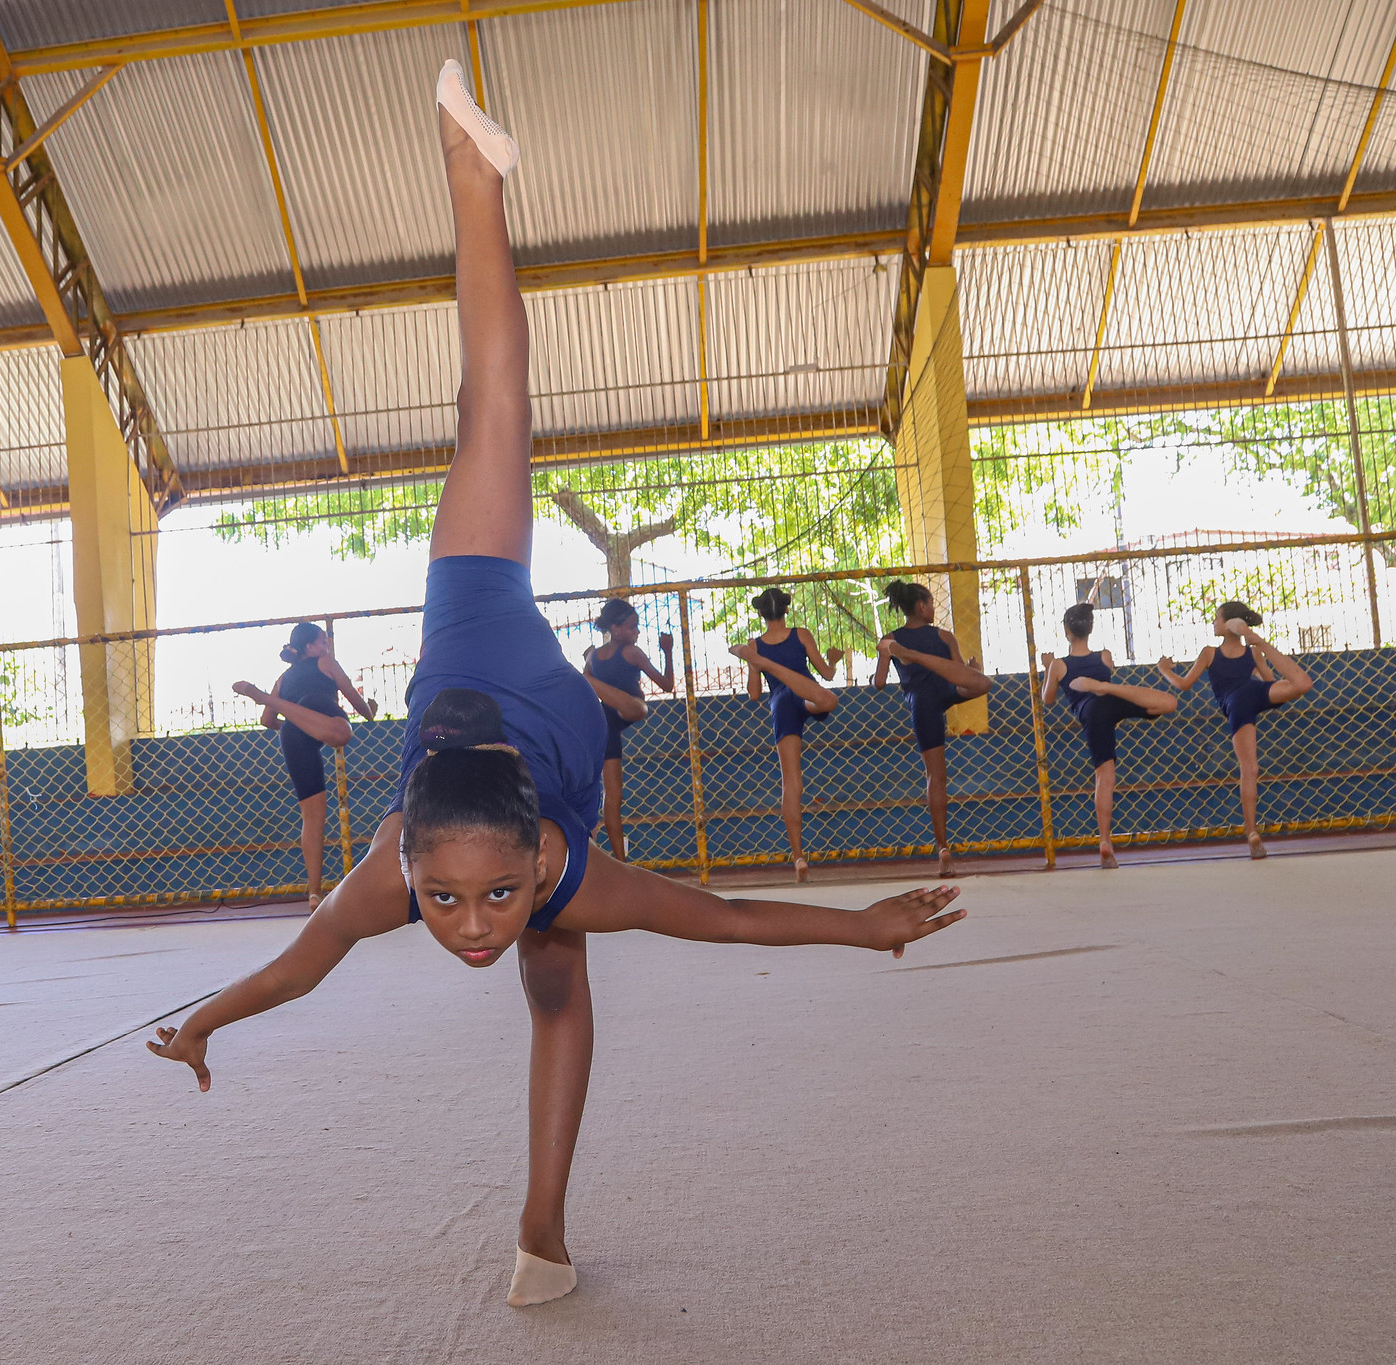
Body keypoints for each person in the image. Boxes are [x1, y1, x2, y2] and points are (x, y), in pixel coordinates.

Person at [148, 62, 967, 1311]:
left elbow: (733, 918)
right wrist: (208, 1020)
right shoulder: (415, 871)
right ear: (408, 867)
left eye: (491, 897)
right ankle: (546, 1221)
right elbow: (297, 965)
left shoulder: (558, 872)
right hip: (555, 729)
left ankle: (469, 170)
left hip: (479, 633)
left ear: (537, 859)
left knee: (495, 410)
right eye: (446, 902)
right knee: (555, 975)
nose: (470, 924)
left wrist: (868, 927)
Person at [233, 623, 378, 909]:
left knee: (312, 818)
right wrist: (369, 713)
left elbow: (266, 722)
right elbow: (351, 694)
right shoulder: (325, 662)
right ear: (311, 647)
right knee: (342, 734)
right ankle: (263, 697)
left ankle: (314, 893)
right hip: (320, 712)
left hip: (293, 732)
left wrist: (292, 721)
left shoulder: (283, 678)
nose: (327, 646)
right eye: (323, 641)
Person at [1155, 600, 1314, 859]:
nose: (1214, 623)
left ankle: (1251, 832)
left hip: (1240, 701)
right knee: (1302, 683)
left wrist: (1163, 670)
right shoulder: (1223, 654)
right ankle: (1252, 832)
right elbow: (1270, 683)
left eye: (1217, 619)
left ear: (1229, 625)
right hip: (1251, 696)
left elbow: (1183, 685)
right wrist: (1275, 687)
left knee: (1249, 769)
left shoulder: (1212, 652)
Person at [1038, 602, 1177, 869]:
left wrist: (1047, 668)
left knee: (1105, 774)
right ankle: (1105, 688)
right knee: (1167, 702)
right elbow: (1105, 666)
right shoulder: (1104, 656)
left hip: (1092, 712)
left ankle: (1105, 841)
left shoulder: (1059, 665)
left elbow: (1048, 699)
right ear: (1089, 630)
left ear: (1068, 632)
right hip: (1111, 702)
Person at [872, 580, 993, 877]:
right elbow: (960, 673)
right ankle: (943, 847)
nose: (933, 609)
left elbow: (878, 683)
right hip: (945, 690)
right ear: (921, 606)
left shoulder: (889, 639)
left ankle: (942, 846)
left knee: (935, 776)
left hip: (921, 701)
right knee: (981, 682)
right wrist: (973, 670)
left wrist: (892, 657)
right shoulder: (944, 636)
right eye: (931, 604)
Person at [726, 587, 843, 881]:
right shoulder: (801, 635)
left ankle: (799, 857)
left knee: (791, 782)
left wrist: (755, 663)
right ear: (787, 610)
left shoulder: (754, 645)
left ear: (761, 613)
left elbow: (754, 695)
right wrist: (833, 660)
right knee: (828, 699)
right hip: (806, 695)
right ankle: (800, 858)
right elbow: (827, 675)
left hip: (782, 703)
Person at [580, 598, 675, 861]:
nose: (636, 632)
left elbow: (665, 687)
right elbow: (667, 684)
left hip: (610, 716)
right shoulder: (629, 652)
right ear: (615, 627)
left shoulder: (596, 656)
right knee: (613, 796)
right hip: (611, 721)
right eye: (632, 627)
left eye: (637, 627)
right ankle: (620, 861)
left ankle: (620, 861)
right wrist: (668, 651)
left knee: (613, 795)